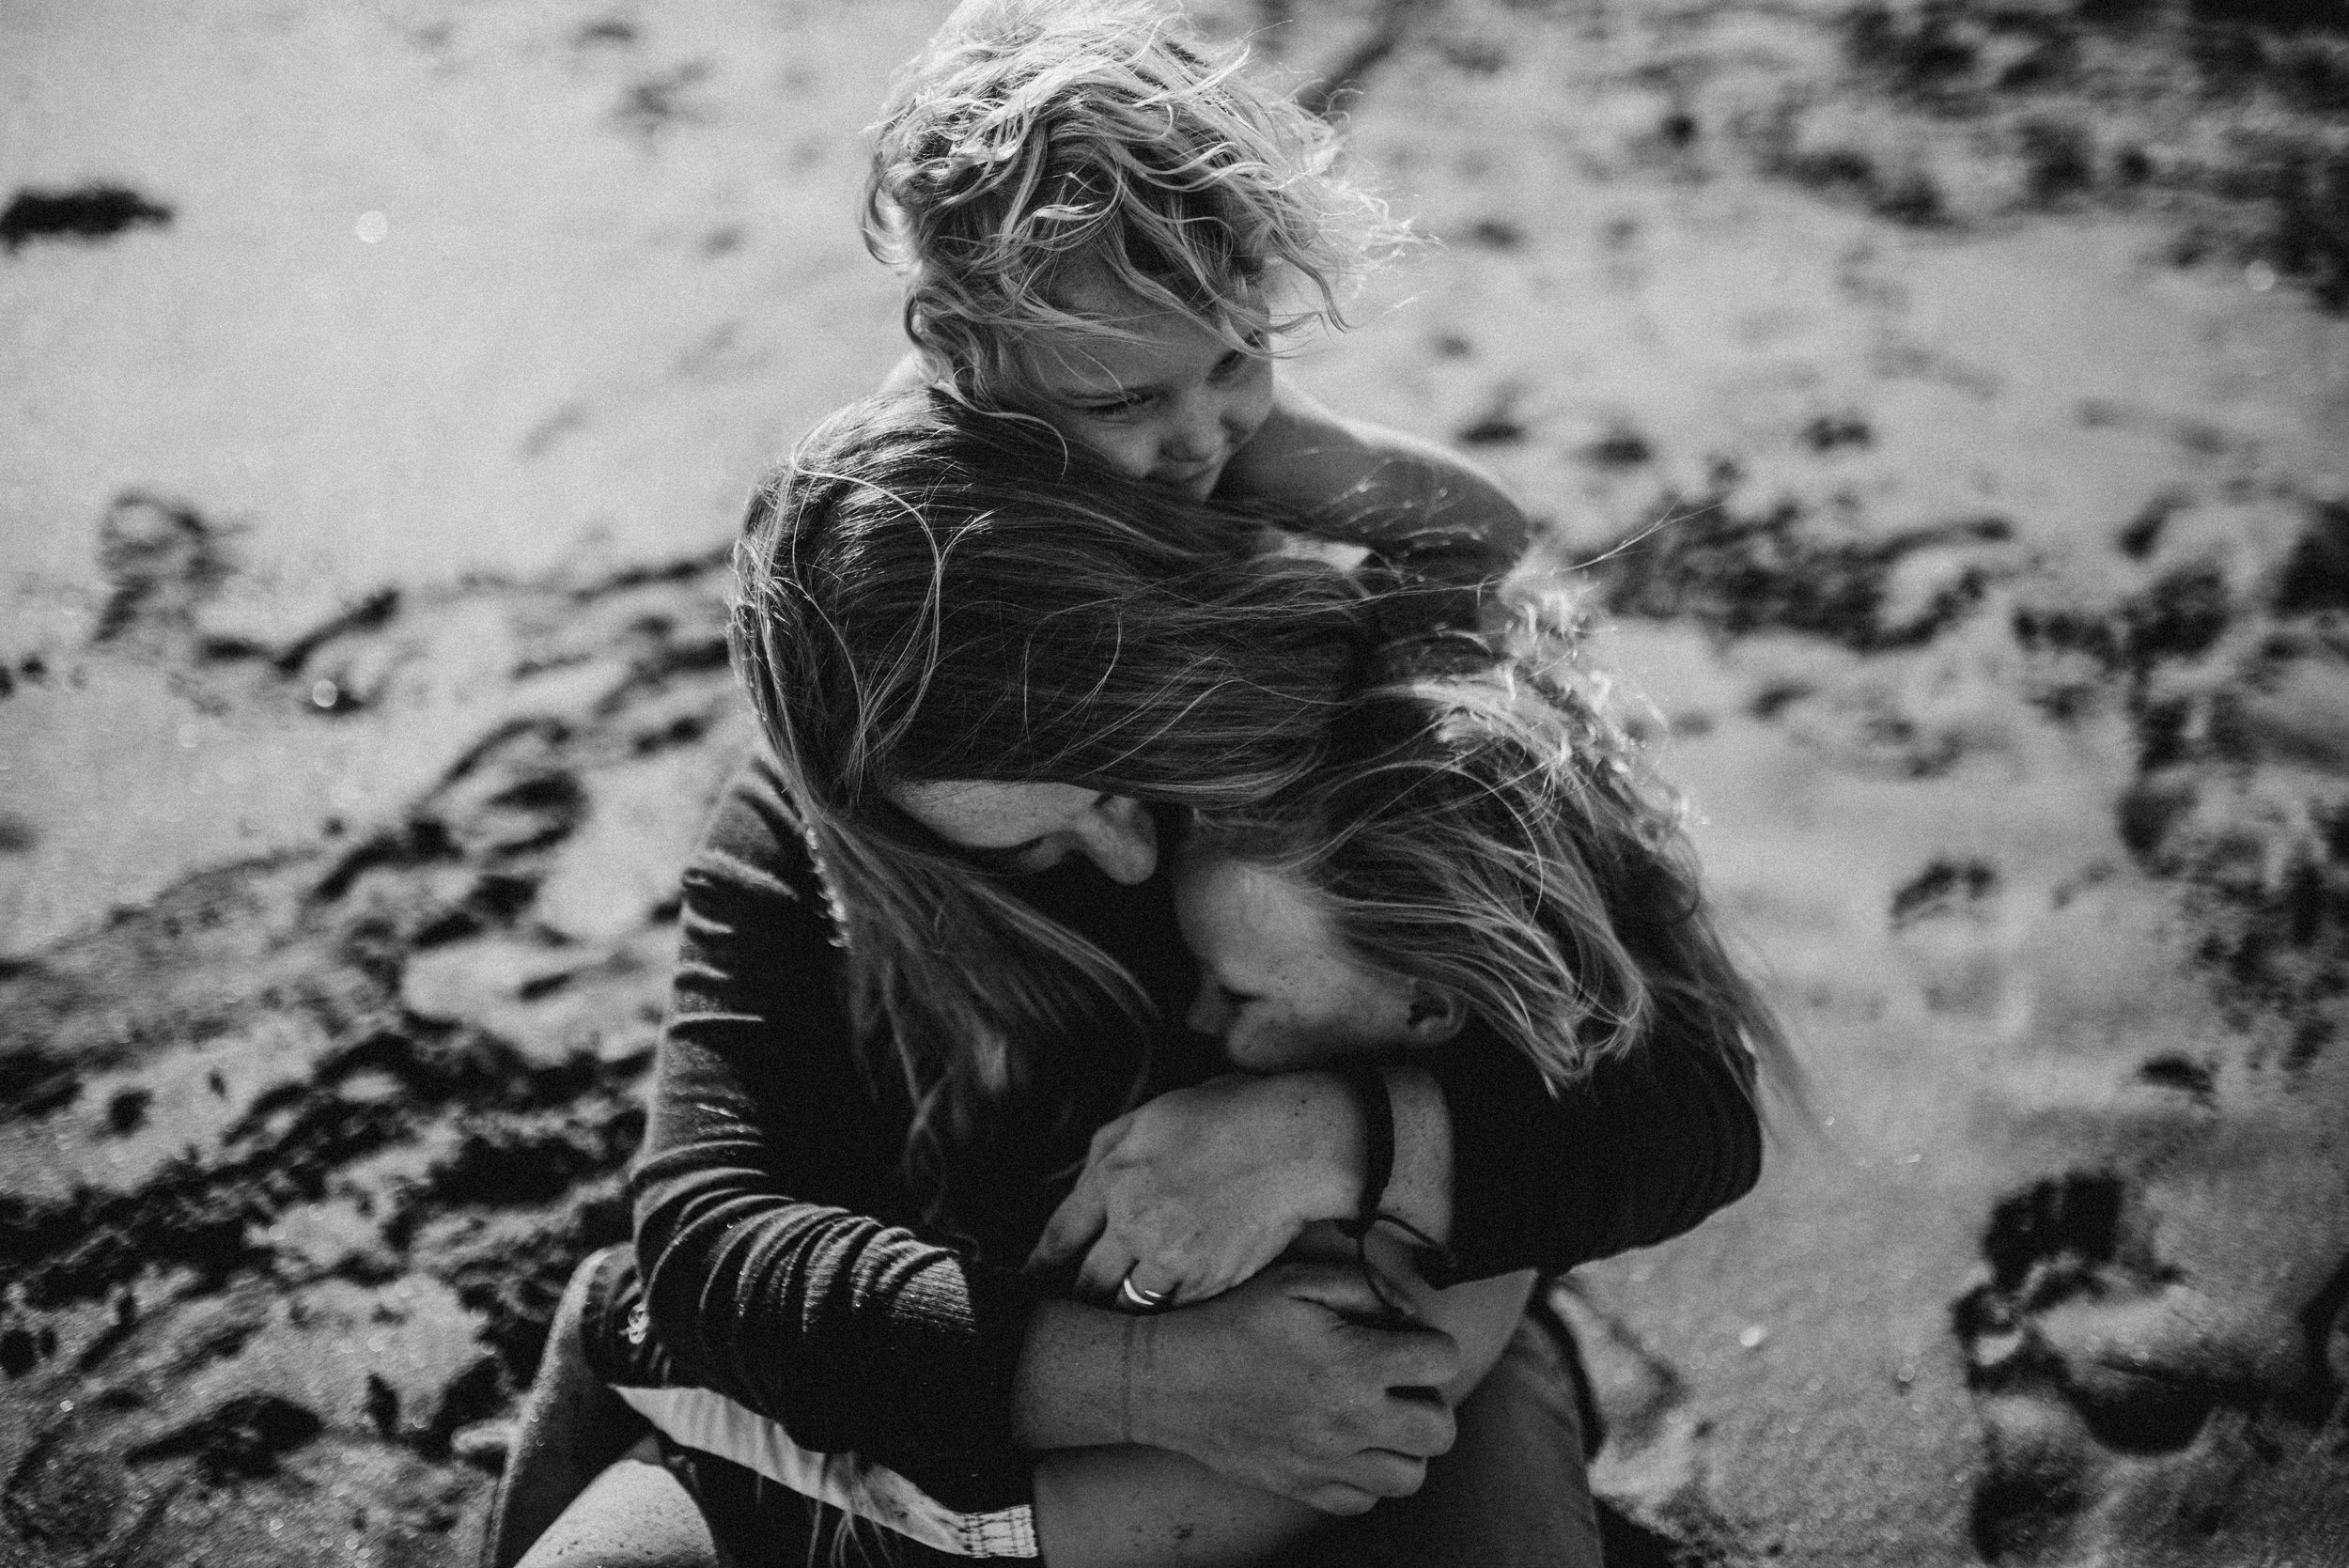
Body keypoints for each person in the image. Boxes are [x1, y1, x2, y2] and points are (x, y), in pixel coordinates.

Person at [485, 395, 1766, 1568]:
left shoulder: (1327, 720)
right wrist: (1151, 1378)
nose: (1129, 850)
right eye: (1037, 842)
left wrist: (1337, 1138)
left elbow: (1691, 1103)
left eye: (1126, 776)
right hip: (938, 1394)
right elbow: (710, 1248)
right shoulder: (803, 846)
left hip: (1393, 1361)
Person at [864, 0, 1530, 588]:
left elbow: (1479, 527)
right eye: (1125, 401)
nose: (1201, 440)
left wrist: (1352, 655)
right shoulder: (917, 478)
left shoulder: (1258, 455)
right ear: (959, 354)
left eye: (1235, 359)